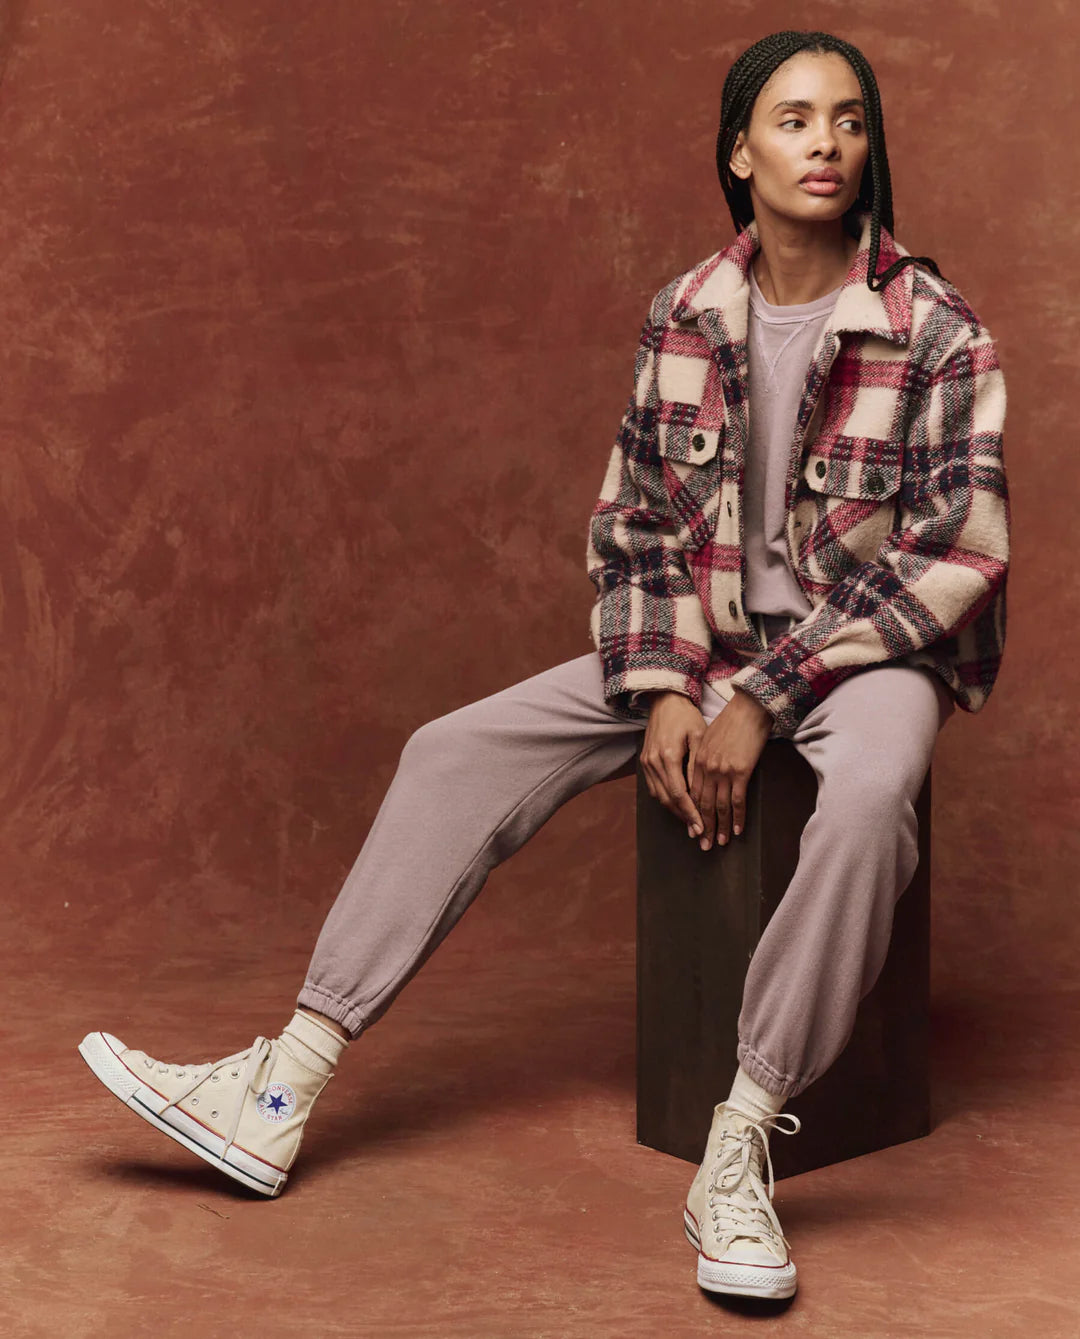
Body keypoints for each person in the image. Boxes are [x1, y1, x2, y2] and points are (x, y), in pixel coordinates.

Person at [78, 29, 1010, 1303]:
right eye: (793, 121)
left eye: (849, 120)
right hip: (704, 642)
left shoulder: (936, 325)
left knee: (861, 807)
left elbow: (954, 553)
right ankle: (281, 1083)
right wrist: (677, 688)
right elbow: (635, 527)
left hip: (861, 659)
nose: (828, 145)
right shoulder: (688, 311)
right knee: (451, 747)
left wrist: (769, 697)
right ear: (739, 154)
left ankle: (739, 1141)